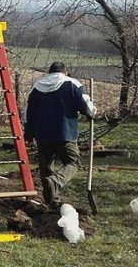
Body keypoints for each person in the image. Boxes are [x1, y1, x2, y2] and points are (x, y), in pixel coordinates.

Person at [24, 61, 96, 209]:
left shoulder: (37, 87)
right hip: (65, 133)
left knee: (46, 167)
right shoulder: (72, 84)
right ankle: (56, 181)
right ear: (65, 72)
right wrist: (91, 113)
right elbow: (86, 107)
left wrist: (29, 133)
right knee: (73, 162)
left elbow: (28, 114)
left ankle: (52, 202)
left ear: (49, 73)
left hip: (42, 135)